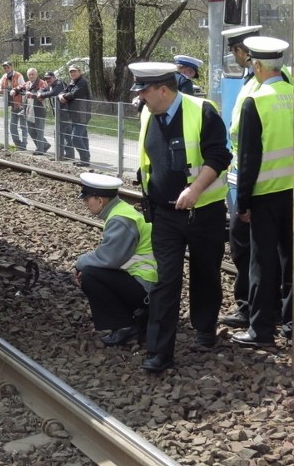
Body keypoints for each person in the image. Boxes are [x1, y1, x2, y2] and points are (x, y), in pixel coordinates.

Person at [130, 62, 232, 373]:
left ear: (164, 89)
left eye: (144, 91)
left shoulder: (203, 111)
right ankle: (159, 352)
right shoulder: (149, 112)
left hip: (204, 211)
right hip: (164, 213)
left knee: (205, 271)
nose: (140, 98)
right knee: (166, 279)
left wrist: (195, 190)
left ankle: (204, 327)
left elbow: (220, 155)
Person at [231, 37, 294, 348]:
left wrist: (243, 203)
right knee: (292, 259)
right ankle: (293, 324)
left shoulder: (255, 102)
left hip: (265, 193)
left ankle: (261, 330)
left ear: (257, 65)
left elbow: (248, 159)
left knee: (262, 263)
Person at [74, 172, 157, 346]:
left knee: (90, 275)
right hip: (146, 283)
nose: (85, 203)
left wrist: (79, 262)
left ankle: (125, 327)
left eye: (87, 199)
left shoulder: (120, 220)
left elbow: (108, 259)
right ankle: (135, 316)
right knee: (94, 271)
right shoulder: (121, 211)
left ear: (100, 200)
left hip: (146, 288)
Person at [218, 25, 263, 328]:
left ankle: (249, 308)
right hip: (263, 180)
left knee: (245, 247)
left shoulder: (256, 87)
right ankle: (258, 308)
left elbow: (248, 145)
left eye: (235, 51)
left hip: (255, 180)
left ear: (242, 52)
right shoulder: (268, 82)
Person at [59, 64, 92, 166]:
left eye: (74, 71)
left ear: (80, 72)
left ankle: (85, 159)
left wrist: (63, 96)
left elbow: (74, 94)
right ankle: (85, 159)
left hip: (82, 114)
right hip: (75, 114)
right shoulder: (73, 82)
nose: (72, 73)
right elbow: (65, 91)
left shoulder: (82, 82)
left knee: (75, 138)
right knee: (82, 137)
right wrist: (61, 95)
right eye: (71, 72)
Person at [0, 61, 28, 150]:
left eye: (8, 67)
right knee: (13, 126)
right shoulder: (4, 76)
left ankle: (24, 144)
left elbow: (24, 86)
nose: (6, 69)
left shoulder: (18, 75)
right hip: (11, 104)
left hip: (20, 103)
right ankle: (17, 143)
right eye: (5, 68)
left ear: (11, 67)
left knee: (23, 125)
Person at [39, 70, 70, 157]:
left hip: (64, 112)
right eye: (45, 79)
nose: (47, 80)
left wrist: (42, 95)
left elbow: (54, 93)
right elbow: (42, 89)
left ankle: (59, 155)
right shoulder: (50, 85)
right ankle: (69, 155)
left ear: (54, 77)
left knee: (58, 134)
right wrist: (40, 93)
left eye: (49, 78)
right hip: (59, 113)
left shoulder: (59, 83)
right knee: (67, 134)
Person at [22, 67, 51, 155]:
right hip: (29, 110)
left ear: (37, 74)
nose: (31, 76)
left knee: (39, 131)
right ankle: (45, 145)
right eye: (29, 74)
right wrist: (14, 90)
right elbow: (20, 87)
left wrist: (32, 95)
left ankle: (40, 149)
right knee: (31, 131)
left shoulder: (42, 83)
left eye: (33, 74)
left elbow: (42, 94)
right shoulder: (27, 84)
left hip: (39, 110)